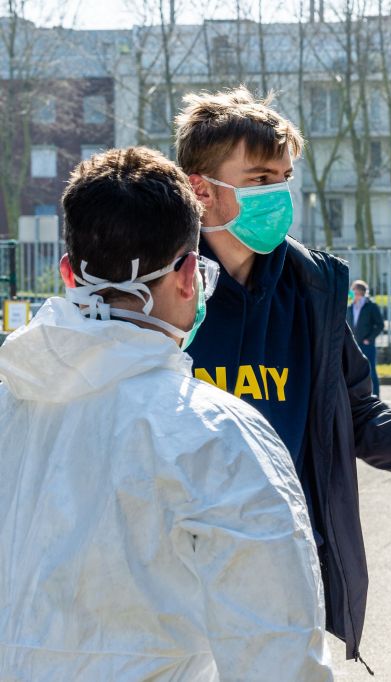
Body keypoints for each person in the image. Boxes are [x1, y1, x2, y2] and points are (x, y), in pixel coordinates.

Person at [174, 87, 391, 666]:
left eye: (285, 178)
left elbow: (357, 411)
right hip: (183, 569)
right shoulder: (161, 287)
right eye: (261, 178)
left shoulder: (314, 290)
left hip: (290, 563)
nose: (279, 195)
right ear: (201, 188)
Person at [0, 147, 332, 679]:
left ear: (68, 274)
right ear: (186, 278)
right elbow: (279, 647)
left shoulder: (9, 408)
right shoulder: (216, 433)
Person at [346, 279, 385, 396]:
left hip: (367, 345)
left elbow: (380, 325)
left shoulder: (371, 306)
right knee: (353, 373)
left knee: (371, 371)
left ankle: (376, 397)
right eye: (351, 292)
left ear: (361, 292)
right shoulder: (349, 307)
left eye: (354, 291)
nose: (352, 294)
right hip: (353, 345)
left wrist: (370, 338)